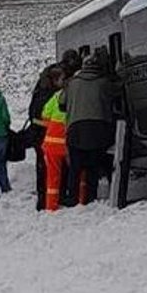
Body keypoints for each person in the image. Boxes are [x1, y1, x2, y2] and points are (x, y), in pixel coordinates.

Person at [63, 48, 119, 204]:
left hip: (75, 129)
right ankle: (90, 196)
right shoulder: (104, 83)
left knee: (75, 167)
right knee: (93, 166)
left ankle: (72, 198)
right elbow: (117, 91)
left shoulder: (72, 83)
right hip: (98, 127)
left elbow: (62, 103)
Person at [28, 65, 65, 210]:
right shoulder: (55, 95)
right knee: (53, 169)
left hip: (38, 136)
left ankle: (42, 199)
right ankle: (55, 198)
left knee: (42, 167)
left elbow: (33, 113)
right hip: (48, 136)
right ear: (55, 80)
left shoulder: (39, 91)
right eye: (62, 79)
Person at [40, 86, 72, 211]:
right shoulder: (81, 95)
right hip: (70, 143)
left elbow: (45, 114)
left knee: (52, 176)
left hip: (52, 143)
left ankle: (51, 205)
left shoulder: (57, 95)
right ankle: (81, 201)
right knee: (80, 172)